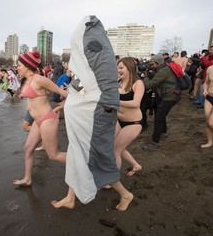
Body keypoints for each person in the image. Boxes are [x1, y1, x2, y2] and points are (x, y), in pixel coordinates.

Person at [51, 15, 133, 211]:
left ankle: (125, 194)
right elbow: (82, 84)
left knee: (97, 156)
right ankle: (71, 197)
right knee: (75, 154)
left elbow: (106, 83)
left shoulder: (96, 49)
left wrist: (107, 105)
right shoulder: (86, 60)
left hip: (95, 116)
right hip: (82, 117)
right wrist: (68, 103)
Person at [12, 51, 68, 187]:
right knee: (28, 148)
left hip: (47, 120)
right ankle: (27, 179)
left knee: (53, 155)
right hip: (37, 121)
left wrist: (61, 107)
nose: (17, 67)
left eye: (19, 65)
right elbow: (33, 95)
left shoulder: (39, 79)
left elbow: (63, 93)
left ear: (27, 66)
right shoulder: (27, 80)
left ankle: (83, 162)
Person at [142, 54, 179, 151]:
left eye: (153, 64)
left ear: (159, 63)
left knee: (158, 118)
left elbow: (149, 85)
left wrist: (146, 76)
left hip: (169, 97)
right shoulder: (164, 68)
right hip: (170, 95)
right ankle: (163, 132)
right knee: (161, 113)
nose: (151, 66)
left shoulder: (163, 71)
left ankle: (155, 143)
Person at [115, 57, 144, 176]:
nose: (118, 70)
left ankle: (113, 180)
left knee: (115, 150)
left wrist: (115, 101)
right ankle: (136, 165)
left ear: (129, 68)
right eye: (117, 68)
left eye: (121, 68)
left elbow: (135, 103)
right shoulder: (118, 82)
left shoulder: (138, 83)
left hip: (133, 123)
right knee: (117, 147)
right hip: (119, 121)